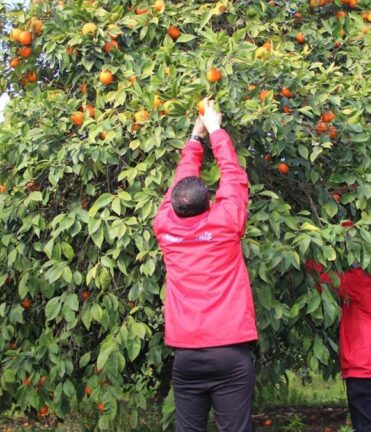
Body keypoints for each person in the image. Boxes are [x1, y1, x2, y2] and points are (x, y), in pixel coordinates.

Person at [153, 99, 257, 432]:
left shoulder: (165, 227)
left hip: (187, 355)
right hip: (230, 352)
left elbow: (179, 187)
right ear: (209, 205)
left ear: (173, 207)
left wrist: (194, 140)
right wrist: (214, 130)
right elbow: (233, 176)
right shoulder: (226, 222)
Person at [306, 259, 371, 432]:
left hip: (367, 368)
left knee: (368, 427)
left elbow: (322, 279)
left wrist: (310, 257)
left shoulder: (358, 280)